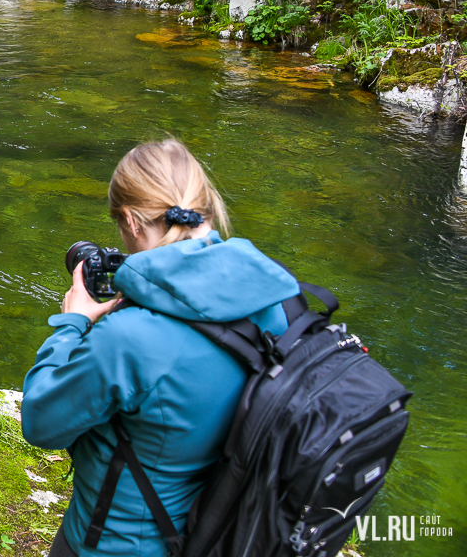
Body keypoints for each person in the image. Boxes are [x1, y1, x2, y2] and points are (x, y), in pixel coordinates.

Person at [22, 139, 301, 557]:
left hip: (116, 544)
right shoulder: (276, 299)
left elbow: (40, 422)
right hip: (222, 529)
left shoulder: (130, 339)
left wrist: (73, 322)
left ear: (132, 222)